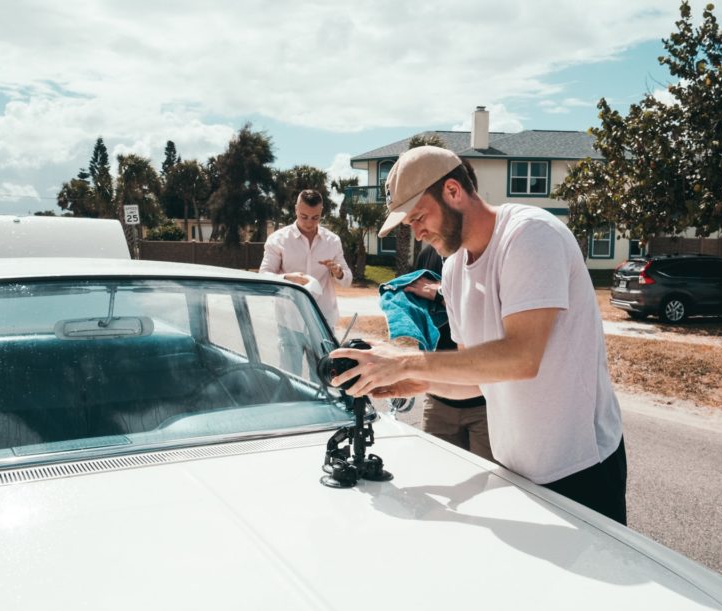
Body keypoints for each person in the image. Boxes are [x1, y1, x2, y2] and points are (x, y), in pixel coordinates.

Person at [330, 146, 627, 525]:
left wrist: (403, 360)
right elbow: (481, 379)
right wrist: (413, 381)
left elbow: (521, 358)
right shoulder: (453, 270)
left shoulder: (530, 235)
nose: (417, 231)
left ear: (453, 191)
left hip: (581, 467)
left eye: (419, 216)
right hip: (514, 470)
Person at [403, 244, 492, 460]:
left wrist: (441, 293)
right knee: (438, 472)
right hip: (438, 402)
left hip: (486, 404)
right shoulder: (427, 255)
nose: (419, 230)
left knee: (493, 484)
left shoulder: (486, 254)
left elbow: (489, 308)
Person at [260, 189, 352, 371]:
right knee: (289, 378)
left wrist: (339, 272)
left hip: (322, 321)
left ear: (322, 212)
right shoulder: (278, 239)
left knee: (322, 381)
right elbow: (264, 275)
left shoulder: (333, 241)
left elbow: (347, 280)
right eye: (304, 216)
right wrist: (287, 277)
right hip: (289, 321)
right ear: (295, 209)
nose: (309, 222)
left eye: (315, 217)